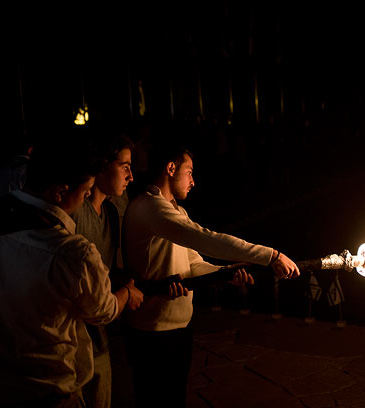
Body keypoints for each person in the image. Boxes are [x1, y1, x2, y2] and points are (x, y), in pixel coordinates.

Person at [0, 129, 144, 407]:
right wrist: (126, 292)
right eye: (85, 192)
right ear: (60, 191)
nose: (85, 199)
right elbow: (102, 311)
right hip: (46, 392)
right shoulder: (72, 252)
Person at [122, 141, 300, 408]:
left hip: (178, 326)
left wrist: (225, 273)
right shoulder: (150, 207)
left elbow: (193, 262)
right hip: (152, 330)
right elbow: (206, 239)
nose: (193, 181)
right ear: (170, 168)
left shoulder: (176, 212)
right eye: (189, 171)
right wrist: (270, 255)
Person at [70, 131, 138, 408]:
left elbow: (108, 270)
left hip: (101, 336)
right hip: (75, 341)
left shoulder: (111, 211)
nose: (130, 176)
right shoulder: (75, 211)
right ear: (102, 166)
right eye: (125, 167)